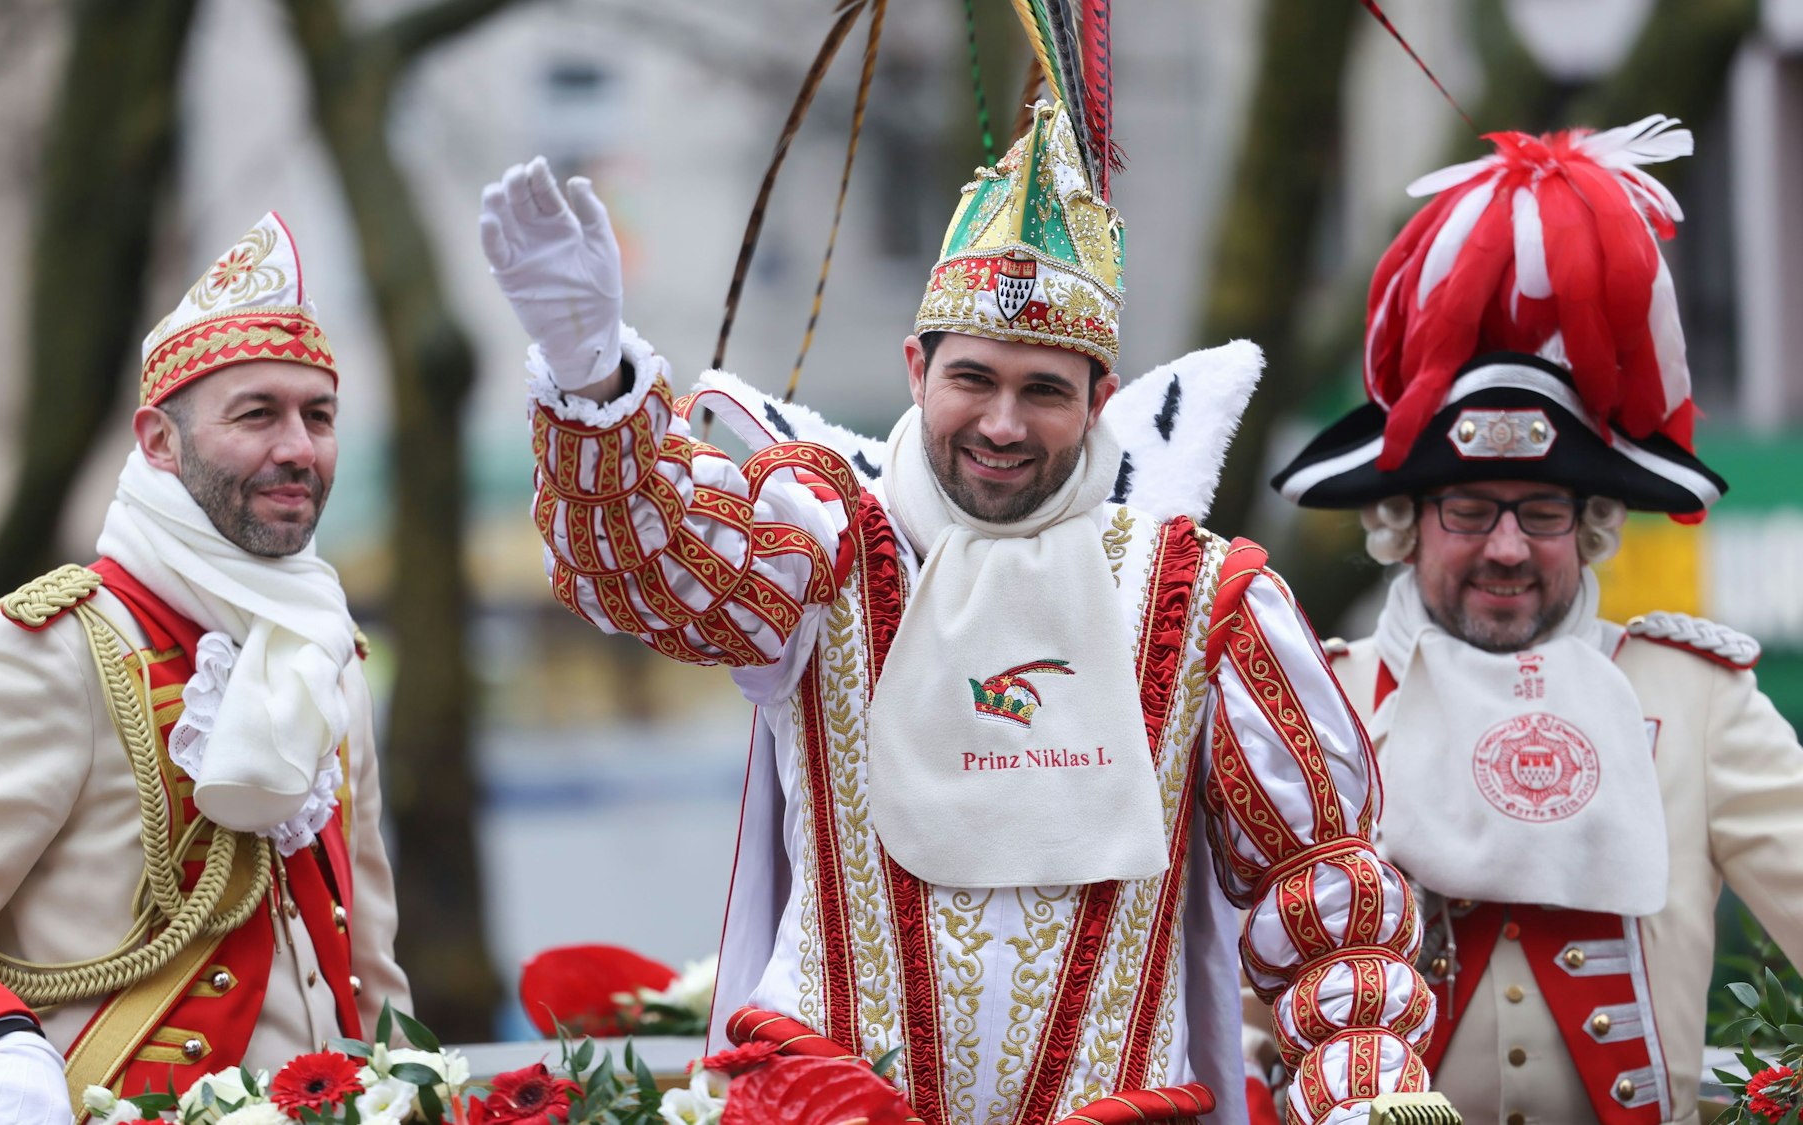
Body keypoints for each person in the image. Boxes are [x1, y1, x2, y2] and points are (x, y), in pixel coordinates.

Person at [481, 95, 1433, 1125]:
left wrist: (1366, 1100)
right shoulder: (824, 543)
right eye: (971, 378)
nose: (1002, 422)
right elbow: (647, 564)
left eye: (1044, 390)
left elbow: (1326, 896)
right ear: (913, 369)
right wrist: (592, 378)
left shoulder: (1204, 598)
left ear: (1099, 397)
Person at [0, 213, 409, 1123]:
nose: (298, 447)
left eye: (317, 415)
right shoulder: (54, 646)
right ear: (159, 442)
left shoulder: (325, 649)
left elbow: (367, 967)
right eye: (257, 413)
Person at [1268, 117, 1800, 1124]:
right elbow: (1239, 1007)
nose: (1505, 548)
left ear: (1592, 526)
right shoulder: (1316, 710)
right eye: (1467, 511)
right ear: (1401, 524)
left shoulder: (1694, 705)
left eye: (1542, 512)